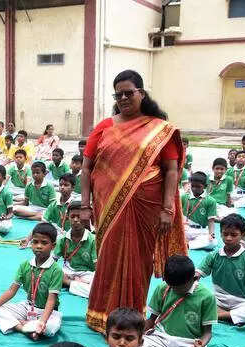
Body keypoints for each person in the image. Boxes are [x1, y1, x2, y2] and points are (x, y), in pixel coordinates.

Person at [80, 69, 186, 333]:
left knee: (139, 262)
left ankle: (132, 316)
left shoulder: (159, 129)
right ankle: (101, 315)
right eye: (118, 95)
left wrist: (168, 209)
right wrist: (84, 205)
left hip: (146, 209)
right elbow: (87, 167)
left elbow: (171, 170)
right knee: (108, 258)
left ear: (142, 93)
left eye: (129, 93)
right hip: (108, 207)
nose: (124, 98)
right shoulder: (105, 127)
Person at [141, 255, 217, 347]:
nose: (175, 289)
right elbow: (151, 320)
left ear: (193, 279)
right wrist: (137, 334)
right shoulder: (162, 288)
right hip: (160, 338)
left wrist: (200, 345)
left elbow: (207, 333)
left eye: (180, 287)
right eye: (171, 285)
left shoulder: (207, 297)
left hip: (187, 344)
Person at [0, 222, 62, 339]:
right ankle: (23, 329)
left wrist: (42, 321)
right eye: (35, 242)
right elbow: (11, 291)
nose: (39, 246)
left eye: (44, 243)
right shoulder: (25, 265)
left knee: (50, 327)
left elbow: (51, 300)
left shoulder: (56, 270)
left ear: (53, 246)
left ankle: (30, 326)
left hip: (48, 312)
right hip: (28, 307)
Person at [196, 214, 245, 328]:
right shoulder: (213, 256)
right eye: (225, 234)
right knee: (195, 291)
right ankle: (229, 315)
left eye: (233, 235)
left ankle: (218, 315)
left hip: (240, 301)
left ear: (243, 235)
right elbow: (197, 275)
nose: (228, 238)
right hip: (217, 299)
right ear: (220, 233)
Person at [55, 202, 97, 298]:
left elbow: (97, 267)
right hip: (67, 272)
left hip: (87, 274)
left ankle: (68, 283)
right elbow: (52, 261)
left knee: (96, 290)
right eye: (72, 216)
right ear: (67, 217)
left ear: (85, 218)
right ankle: (76, 283)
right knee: (49, 275)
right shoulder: (63, 239)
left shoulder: (93, 240)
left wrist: (66, 280)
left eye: (79, 216)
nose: (75, 220)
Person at [182, 171, 218, 250]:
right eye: (193, 186)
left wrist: (211, 234)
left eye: (198, 187)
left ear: (205, 186)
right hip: (185, 229)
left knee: (213, 243)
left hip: (201, 231)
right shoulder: (184, 197)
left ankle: (187, 245)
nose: (194, 189)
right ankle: (189, 244)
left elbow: (211, 221)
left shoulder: (211, 201)